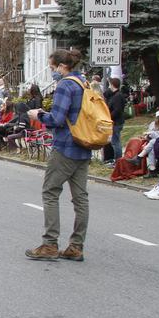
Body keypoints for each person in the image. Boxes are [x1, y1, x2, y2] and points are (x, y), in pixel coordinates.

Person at [26, 48, 90, 262]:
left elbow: (58, 118)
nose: (52, 71)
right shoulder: (84, 82)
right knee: (80, 197)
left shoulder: (65, 85)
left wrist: (39, 114)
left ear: (63, 67)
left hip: (65, 145)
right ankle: (76, 245)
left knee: (50, 192)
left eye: (53, 67)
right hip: (84, 144)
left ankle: (50, 243)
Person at [128, 108, 159, 175]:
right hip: (152, 145)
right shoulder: (153, 124)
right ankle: (152, 170)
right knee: (153, 145)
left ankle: (140, 158)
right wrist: (148, 135)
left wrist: (152, 133)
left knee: (154, 141)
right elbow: (148, 135)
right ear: (158, 117)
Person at [105, 77, 126, 163]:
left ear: (112, 85)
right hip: (116, 121)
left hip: (116, 122)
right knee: (114, 141)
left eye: (110, 84)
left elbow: (117, 110)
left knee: (115, 142)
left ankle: (118, 160)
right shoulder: (115, 94)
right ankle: (116, 159)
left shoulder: (117, 96)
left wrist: (109, 117)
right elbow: (105, 94)